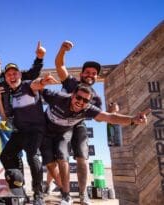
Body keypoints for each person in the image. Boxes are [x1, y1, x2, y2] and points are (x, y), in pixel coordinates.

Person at [31, 76, 149, 205]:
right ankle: (64, 191)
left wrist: (133, 119)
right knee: (50, 164)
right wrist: (41, 82)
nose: (80, 102)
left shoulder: (88, 109)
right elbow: (35, 87)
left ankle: (66, 196)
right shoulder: (58, 97)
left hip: (63, 133)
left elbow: (110, 117)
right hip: (45, 131)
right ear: (72, 95)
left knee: (62, 158)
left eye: (85, 100)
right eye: (78, 97)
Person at [0, 42, 46, 179]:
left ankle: (18, 185)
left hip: (8, 118)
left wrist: (39, 58)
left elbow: (32, 73)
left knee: (13, 152)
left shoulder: (11, 75)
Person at [54, 40, 103, 205]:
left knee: (82, 158)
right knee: (62, 158)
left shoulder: (96, 97)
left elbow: (100, 117)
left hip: (79, 125)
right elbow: (60, 66)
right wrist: (62, 50)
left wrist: (115, 112)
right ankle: (65, 195)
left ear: (97, 77)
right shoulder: (72, 83)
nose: (90, 75)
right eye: (87, 72)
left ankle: (83, 195)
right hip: (61, 125)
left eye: (94, 73)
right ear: (81, 74)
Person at [0, 64, 46, 204]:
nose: (12, 76)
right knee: (5, 155)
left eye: (15, 73)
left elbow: (36, 84)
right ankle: (19, 189)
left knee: (32, 156)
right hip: (20, 131)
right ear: (6, 78)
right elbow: (5, 117)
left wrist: (42, 82)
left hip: (35, 129)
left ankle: (38, 194)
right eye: (8, 75)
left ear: (20, 75)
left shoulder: (27, 85)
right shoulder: (8, 94)